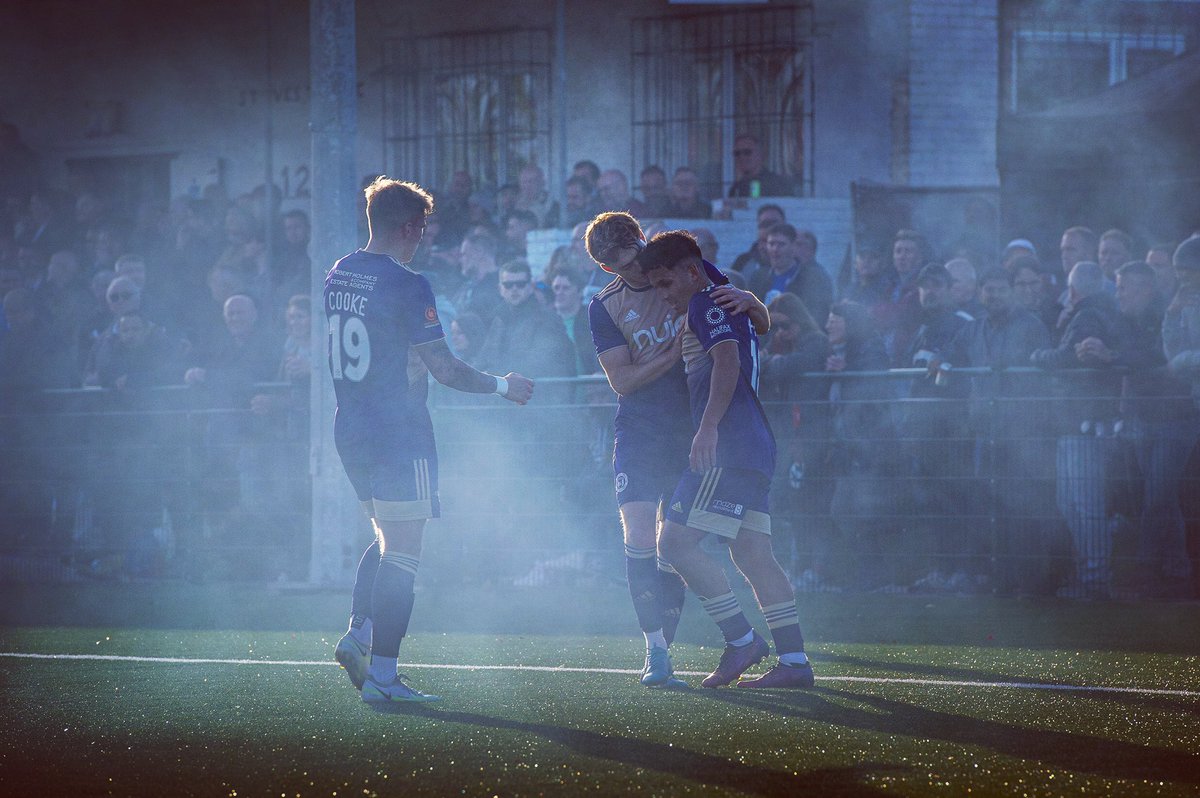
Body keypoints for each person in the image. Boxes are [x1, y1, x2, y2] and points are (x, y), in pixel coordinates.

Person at [327, 177, 533, 705]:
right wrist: (504, 385)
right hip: (398, 430)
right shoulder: (407, 283)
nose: (423, 238)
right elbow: (443, 368)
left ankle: (360, 634)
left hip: (350, 426)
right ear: (409, 227)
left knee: (386, 534)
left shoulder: (339, 273)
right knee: (404, 553)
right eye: (422, 227)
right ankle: (384, 677)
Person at [584, 211, 768, 689]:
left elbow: (739, 314)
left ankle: (715, 640)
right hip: (641, 428)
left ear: (643, 240)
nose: (637, 272)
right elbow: (621, 380)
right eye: (621, 266)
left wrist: (751, 300)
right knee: (641, 536)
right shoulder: (604, 305)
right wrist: (671, 354)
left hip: (688, 426)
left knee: (675, 543)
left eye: (636, 257)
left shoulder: (680, 273)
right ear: (606, 269)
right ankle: (656, 653)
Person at [640, 230, 813, 688]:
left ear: (691, 273)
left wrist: (708, 426)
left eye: (664, 284)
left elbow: (726, 360)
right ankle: (794, 661)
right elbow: (760, 326)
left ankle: (741, 640)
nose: (663, 295)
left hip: (729, 445)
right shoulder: (719, 295)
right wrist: (756, 303)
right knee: (754, 554)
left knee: (673, 543)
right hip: (753, 445)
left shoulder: (702, 302)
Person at [1030, 261, 1122, 599]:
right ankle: (1092, 573)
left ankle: (1095, 578)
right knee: (1073, 502)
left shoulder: (1087, 317)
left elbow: (1069, 356)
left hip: (1083, 421)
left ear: (1072, 290)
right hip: (1078, 421)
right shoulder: (1098, 314)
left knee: (1083, 504)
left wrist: (1038, 356)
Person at [749, 223, 833, 326]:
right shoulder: (758, 277)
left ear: (793, 246)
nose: (775, 249)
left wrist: (787, 320)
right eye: (771, 244)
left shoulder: (813, 279)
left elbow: (818, 315)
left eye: (781, 244)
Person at [728, 133, 793, 198]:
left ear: (761, 154)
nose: (741, 157)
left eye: (747, 152)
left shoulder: (777, 184)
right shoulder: (736, 188)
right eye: (737, 153)